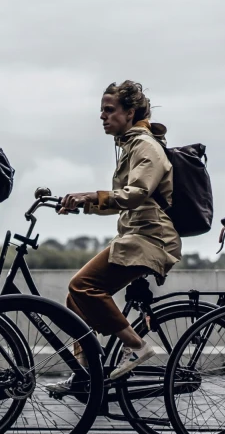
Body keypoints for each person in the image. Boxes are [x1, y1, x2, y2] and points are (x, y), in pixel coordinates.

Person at [50, 81, 182, 391]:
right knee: (76, 298)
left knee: (82, 285)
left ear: (130, 112)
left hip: (151, 239)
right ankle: (85, 372)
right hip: (137, 236)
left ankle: (136, 346)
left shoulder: (146, 146)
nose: (102, 116)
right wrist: (84, 204)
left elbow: (135, 194)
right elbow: (124, 199)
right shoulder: (132, 146)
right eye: (101, 111)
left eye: (109, 110)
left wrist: (90, 195)